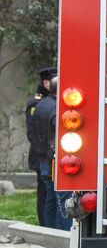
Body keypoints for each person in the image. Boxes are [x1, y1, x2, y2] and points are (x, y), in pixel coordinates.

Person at [24, 66, 57, 227]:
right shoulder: (36, 104)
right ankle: (44, 225)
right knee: (44, 193)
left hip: (46, 153)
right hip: (41, 154)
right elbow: (33, 134)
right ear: (46, 82)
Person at [30, 71, 61, 230]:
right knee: (60, 198)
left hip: (43, 158)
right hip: (52, 159)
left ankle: (50, 230)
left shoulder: (41, 104)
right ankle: (61, 232)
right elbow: (57, 131)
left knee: (50, 197)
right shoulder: (56, 108)